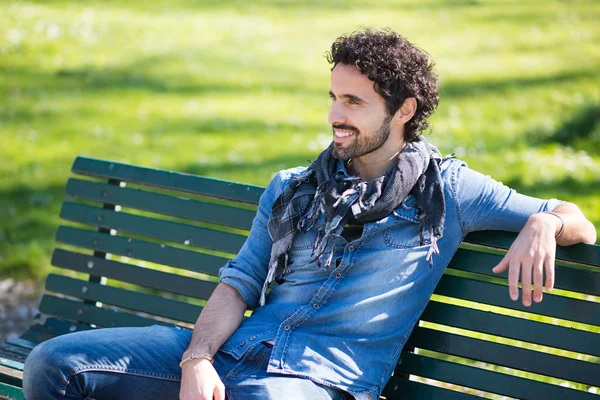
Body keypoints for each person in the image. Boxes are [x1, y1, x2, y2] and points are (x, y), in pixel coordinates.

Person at [23, 28, 596, 400]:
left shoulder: (451, 192)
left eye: (353, 102)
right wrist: (197, 359)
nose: (333, 116)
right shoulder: (294, 188)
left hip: (323, 380)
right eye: (332, 97)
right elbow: (239, 282)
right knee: (54, 364)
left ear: (404, 111)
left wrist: (544, 221)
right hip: (238, 353)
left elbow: (575, 218)